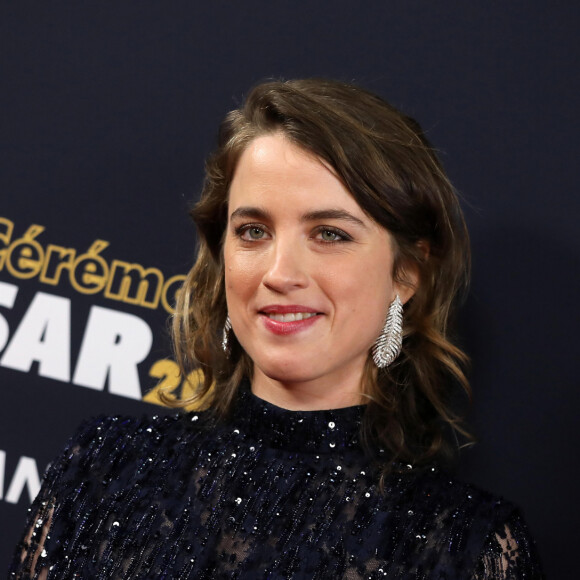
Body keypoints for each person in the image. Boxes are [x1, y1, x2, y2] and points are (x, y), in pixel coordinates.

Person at [10, 79, 543, 579]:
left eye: (330, 233)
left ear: (406, 273)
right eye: (254, 231)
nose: (280, 273)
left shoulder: (464, 547)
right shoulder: (104, 468)